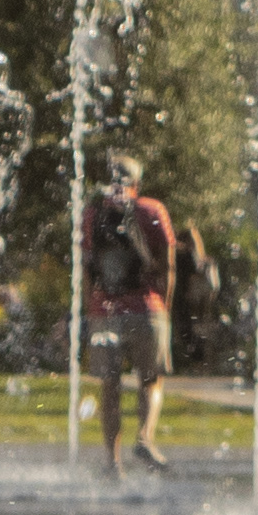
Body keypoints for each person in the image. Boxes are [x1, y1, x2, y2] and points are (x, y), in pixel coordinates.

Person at [78, 150, 182, 471]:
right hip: (146, 308)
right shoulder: (152, 210)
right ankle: (144, 439)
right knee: (151, 379)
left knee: (109, 386)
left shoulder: (91, 214)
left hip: (104, 312)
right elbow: (168, 266)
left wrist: (89, 313)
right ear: (137, 181)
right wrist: (164, 307)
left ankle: (112, 461)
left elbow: (85, 270)